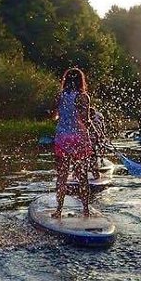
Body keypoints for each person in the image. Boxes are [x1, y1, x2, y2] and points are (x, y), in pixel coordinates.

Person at [53, 67, 92, 217]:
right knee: (82, 175)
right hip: (79, 138)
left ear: (66, 80)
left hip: (62, 138)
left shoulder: (60, 96)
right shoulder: (83, 97)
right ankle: (86, 210)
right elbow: (85, 120)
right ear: (81, 81)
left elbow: (54, 115)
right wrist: (90, 123)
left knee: (62, 175)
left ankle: (58, 210)